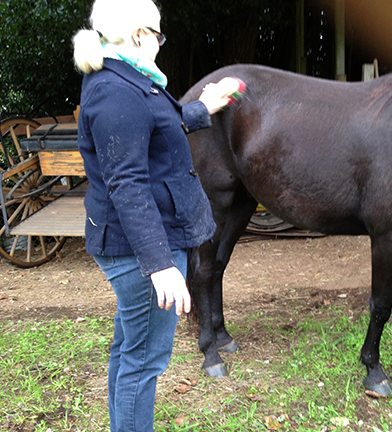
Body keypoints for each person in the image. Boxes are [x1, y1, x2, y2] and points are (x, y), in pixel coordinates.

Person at [73, 1, 232, 430]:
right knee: (143, 363)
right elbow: (126, 183)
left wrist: (203, 107)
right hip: (142, 248)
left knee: (131, 350)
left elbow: (157, 124)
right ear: (141, 35)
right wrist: (159, 265)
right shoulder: (115, 91)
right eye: (159, 36)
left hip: (144, 241)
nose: (161, 45)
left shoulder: (126, 77)